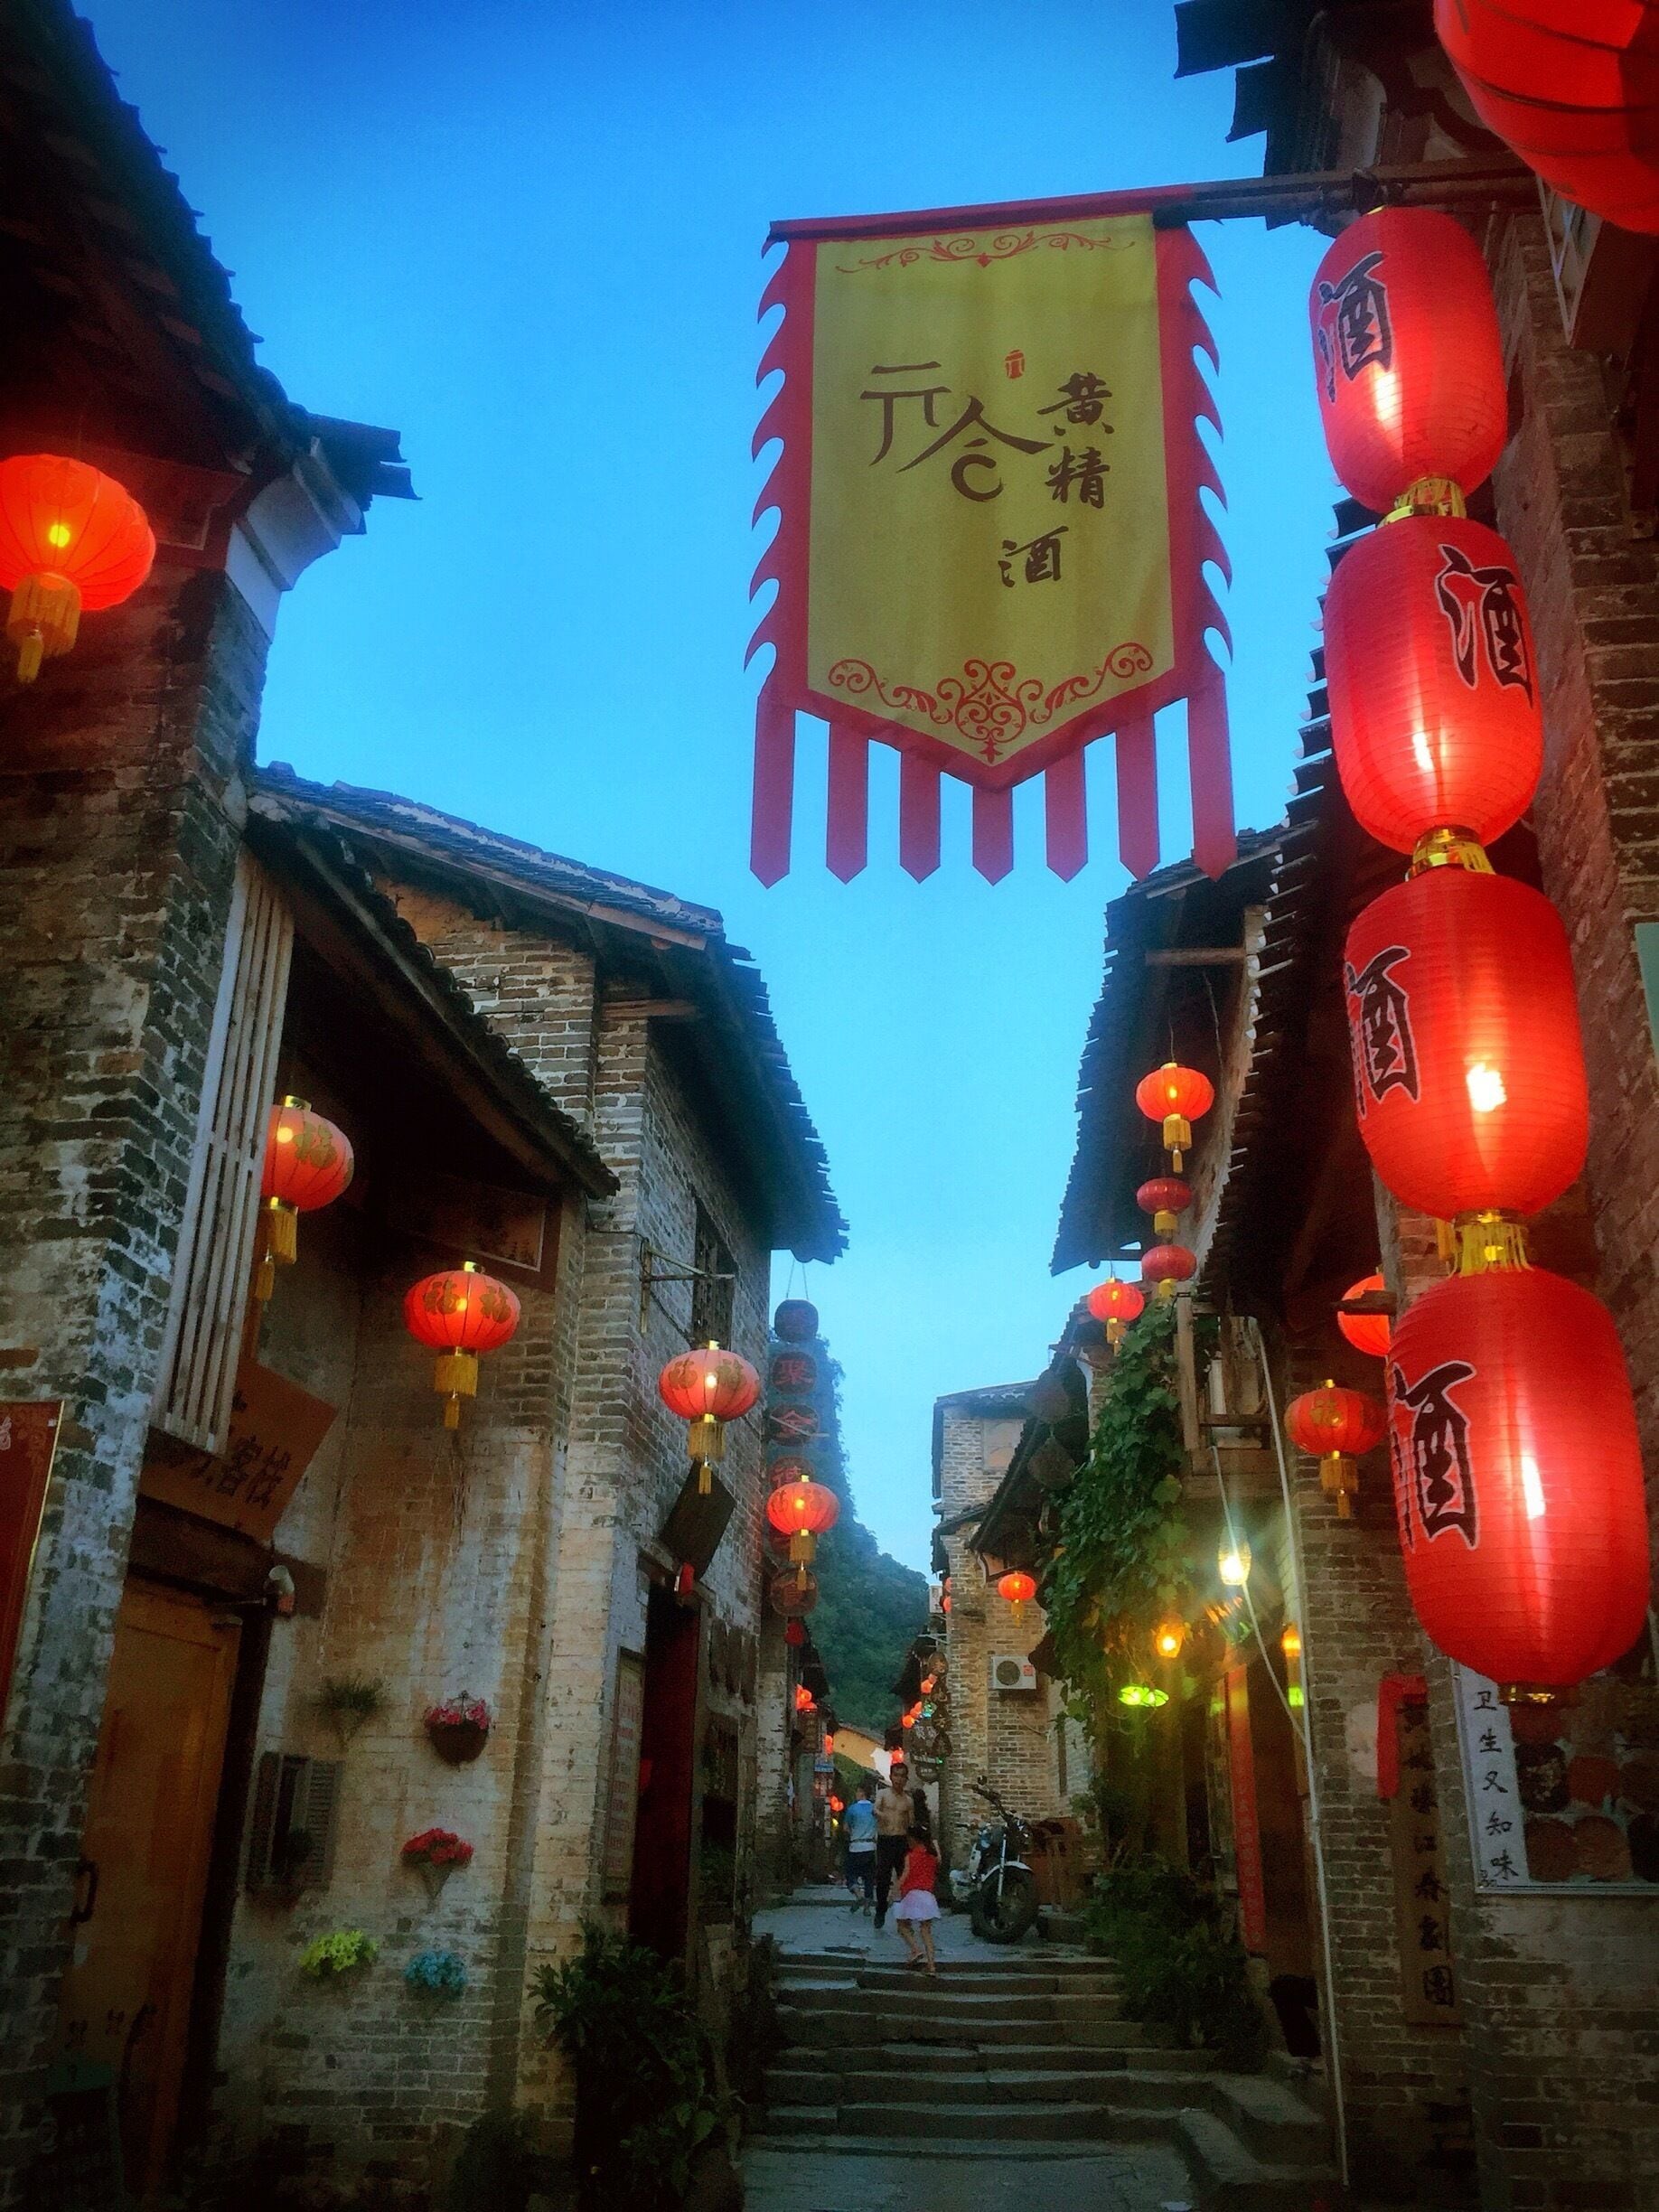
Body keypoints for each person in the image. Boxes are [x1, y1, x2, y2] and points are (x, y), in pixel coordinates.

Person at [871, 1759, 914, 1929]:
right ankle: (880, 1910)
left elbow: (911, 1822)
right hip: (885, 1840)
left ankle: (906, 1914)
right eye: (896, 1775)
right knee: (883, 1878)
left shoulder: (908, 1800)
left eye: (902, 1776)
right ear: (891, 1777)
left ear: (906, 1779)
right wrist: (880, 1814)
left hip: (902, 1841)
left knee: (905, 1878)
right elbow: (874, 1809)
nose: (898, 1779)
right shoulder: (883, 1794)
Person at [893, 1829, 941, 1974]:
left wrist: (895, 1889)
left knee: (901, 1925)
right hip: (928, 1896)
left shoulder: (911, 1856)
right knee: (926, 1931)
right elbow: (940, 1860)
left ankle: (915, 1949)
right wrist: (935, 1844)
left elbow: (905, 1875)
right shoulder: (932, 1856)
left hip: (912, 1894)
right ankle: (931, 1966)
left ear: (913, 1840)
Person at [842, 1778, 877, 1913]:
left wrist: (853, 1834)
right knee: (869, 1878)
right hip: (870, 1847)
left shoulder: (852, 1809)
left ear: (862, 1793)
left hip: (855, 1847)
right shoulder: (874, 1809)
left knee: (851, 1874)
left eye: (857, 1791)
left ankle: (859, 1895)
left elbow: (845, 1828)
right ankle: (867, 1909)